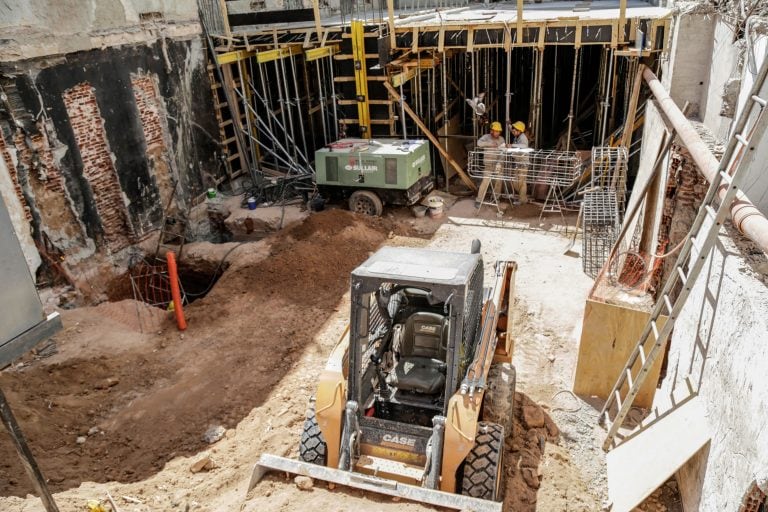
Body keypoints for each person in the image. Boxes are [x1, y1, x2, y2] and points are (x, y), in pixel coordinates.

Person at [474, 121, 507, 208]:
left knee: (498, 182)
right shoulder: (486, 137)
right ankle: (479, 200)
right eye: (496, 131)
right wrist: (489, 144)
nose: (497, 133)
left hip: (498, 165)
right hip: (488, 165)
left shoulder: (501, 139)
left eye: (498, 131)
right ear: (491, 131)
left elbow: (503, 152)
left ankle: (496, 198)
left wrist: (500, 163)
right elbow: (479, 143)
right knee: (485, 182)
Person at [508, 121, 530, 204]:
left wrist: (512, 145)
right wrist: (509, 124)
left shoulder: (523, 137)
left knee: (520, 182)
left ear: (519, 131)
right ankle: (521, 197)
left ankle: (522, 200)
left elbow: (524, 146)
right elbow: (511, 129)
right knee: (518, 182)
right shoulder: (517, 136)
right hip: (518, 163)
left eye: (514, 131)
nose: (513, 132)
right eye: (513, 131)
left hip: (523, 164)